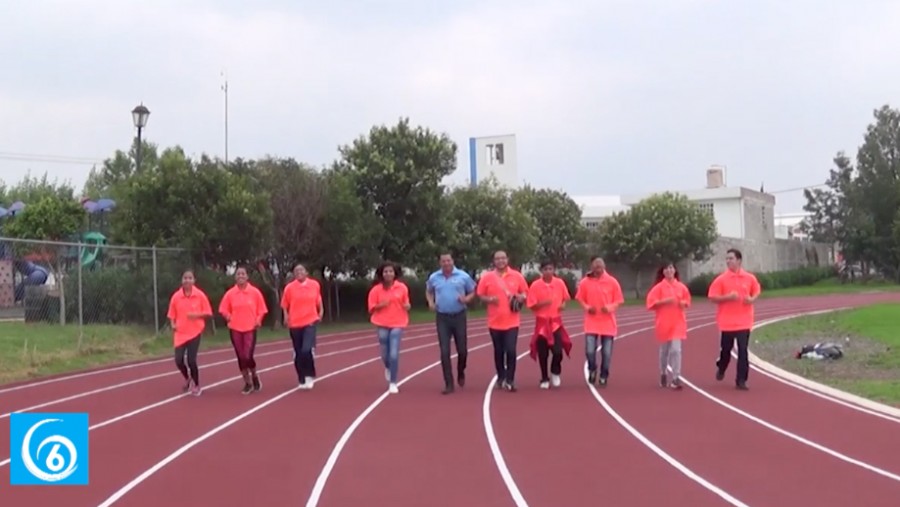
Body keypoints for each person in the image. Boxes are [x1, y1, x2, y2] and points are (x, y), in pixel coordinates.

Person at [707, 248, 761, 390]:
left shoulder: (749, 278)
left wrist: (751, 299)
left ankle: (741, 380)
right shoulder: (721, 279)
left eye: (731, 258)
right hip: (727, 322)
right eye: (727, 258)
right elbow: (712, 297)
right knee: (726, 351)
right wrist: (728, 297)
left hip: (744, 321)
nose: (728, 261)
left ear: (739, 260)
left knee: (743, 350)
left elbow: (756, 290)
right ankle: (722, 367)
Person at [476, 250, 529, 392]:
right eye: (497, 259)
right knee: (498, 351)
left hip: (512, 321)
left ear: (507, 259)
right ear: (494, 261)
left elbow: (525, 292)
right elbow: (480, 295)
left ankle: (510, 380)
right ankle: (501, 376)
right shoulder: (487, 277)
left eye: (503, 258)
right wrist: (489, 299)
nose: (500, 261)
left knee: (511, 350)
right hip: (494, 321)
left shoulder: (517, 276)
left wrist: (521, 297)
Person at [425, 252, 477, 395]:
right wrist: (430, 302)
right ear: (440, 263)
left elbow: (473, 291)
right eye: (443, 261)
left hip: (459, 315)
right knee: (444, 351)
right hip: (442, 317)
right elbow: (429, 291)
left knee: (462, 350)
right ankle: (448, 383)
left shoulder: (463, 276)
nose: (446, 263)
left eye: (448, 261)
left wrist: (466, 299)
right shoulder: (434, 277)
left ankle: (461, 371)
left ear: (452, 261)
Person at [219, 265, 269, 395]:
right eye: (238, 274)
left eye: (243, 274)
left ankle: (254, 375)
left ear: (247, 277)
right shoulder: (230, 293)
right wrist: (228, 316)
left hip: (250, 328)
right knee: (240, 356)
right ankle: (247, 382)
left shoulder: (255, 292)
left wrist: (258, 320)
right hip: (235, 328)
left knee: (248, 356)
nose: (240, 276)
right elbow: (223, 309)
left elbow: (262, 310)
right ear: (235, 277)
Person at [575, 256, 624, 386]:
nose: (598, 268)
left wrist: (609, 307)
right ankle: (592, 369)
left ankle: (604, 374)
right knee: (590, 351)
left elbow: (618, 300)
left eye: (600, 265)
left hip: (608, 323)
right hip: (591, 322)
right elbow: (580, 299)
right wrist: (587, 307)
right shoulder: (585, 282)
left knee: (606, 353)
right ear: (591, 266)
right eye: (595, 265)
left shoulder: (612, 282)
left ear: (604, 266)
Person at [526, 260, 573, 389]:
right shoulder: (536, 285)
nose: (548, 271)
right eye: (545, 269)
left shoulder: (559, 283)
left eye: (550, 269)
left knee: (558, 351)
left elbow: (565, 299)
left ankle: (555, 371)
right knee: (543, 353)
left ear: (554, 270)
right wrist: (543, 303)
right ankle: (544, 378)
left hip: (555, 322)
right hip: (542, 323)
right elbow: (531, 305)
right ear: (541, 271)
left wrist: (563, 305)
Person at [166, 270, 212, 396]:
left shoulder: (200, 295)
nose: (187, 280)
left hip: (194, 332)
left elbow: (208, 313)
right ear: (182, 280)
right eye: (185, 278)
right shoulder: (176, 296)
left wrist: (196, 315)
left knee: (191, 360)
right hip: (180, 333)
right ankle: (187, 377)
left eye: (190, 278)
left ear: (194, 280)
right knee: (178, 360)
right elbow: (171, 314)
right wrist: (173, 324)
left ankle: (196, 384)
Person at [645, 262, 691, 389]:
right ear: (663, 272)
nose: (669, 270)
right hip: (663, 323)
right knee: (664, 351)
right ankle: (663, 373)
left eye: (671, 268)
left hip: (678, 323)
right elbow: (650, 304)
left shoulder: (681, 287)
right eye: (666, 268)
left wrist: (683, 303)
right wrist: (664, 301)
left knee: (676, 350)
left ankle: (676, 377)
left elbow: (687, 301)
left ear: (675, 270)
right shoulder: (658, 288)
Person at [367, 261, 411, 394]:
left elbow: (406, 303)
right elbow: (371, 308)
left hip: (398, 322)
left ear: (394, 273)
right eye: (385, 271)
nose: (388, 274)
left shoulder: (402, 287)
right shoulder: (376, 290)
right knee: (385, 352)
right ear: (382, 274)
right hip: (381, 322)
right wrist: (380, 305)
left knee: (394, 353)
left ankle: (393, 382)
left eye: (390, 271)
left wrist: (407, 306)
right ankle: (388, 367)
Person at [281, 263, 324, 390]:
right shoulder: (289, 288)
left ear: (306, 272)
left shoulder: (314, 285)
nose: (299, 272)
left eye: (301, 270)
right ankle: (301, 377)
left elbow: (318, 299)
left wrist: (321, 311)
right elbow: (284, 304)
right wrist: (286, 316)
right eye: (296, 271)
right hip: (295, 323)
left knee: (306, 350)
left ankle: (310, 375)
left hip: (310, 321)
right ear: (294, 274)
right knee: (298, 352)